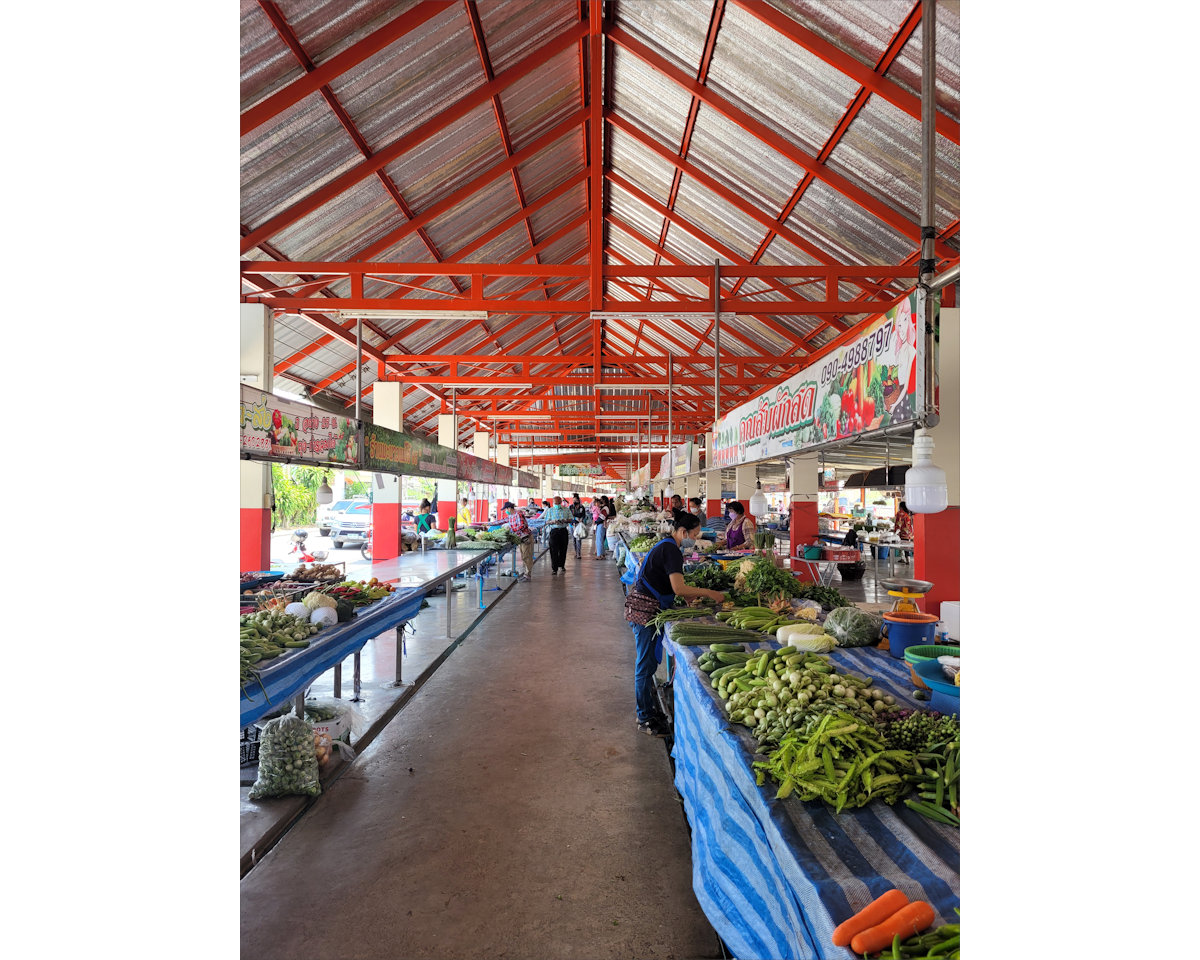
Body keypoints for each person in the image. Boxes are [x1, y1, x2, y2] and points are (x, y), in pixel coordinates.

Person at [625, 512, 726, 736]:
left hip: (647, 608)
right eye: (695, 535)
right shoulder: (671, 549)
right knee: (645, 664)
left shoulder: (667, 545)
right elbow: (679, 588)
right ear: (683, 532)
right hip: (645, 612)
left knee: (648, 663)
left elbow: (671, 585)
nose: (696, 538)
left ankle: (648, 710)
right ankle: (644, 717)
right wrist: (709, 593)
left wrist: (686, 596)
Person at [503, 501, 535, 581]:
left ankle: (528, 575)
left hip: (526, 537)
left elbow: (523, 525)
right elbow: (501, 521)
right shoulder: (511, 516)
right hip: (520, 539)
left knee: (527, 556)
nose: (505, 511)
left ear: (509, 508)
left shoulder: (518, 514)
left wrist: (513, 530)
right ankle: (525, 574)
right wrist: (488, 523)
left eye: (506, 509)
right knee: (524, 556)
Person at [543, 495, 573, 575]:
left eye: (558, 503)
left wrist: (565, 520)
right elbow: (546, 521)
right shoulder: (550, 510)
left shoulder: (566, 510)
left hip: (563, 531)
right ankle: (554, 568)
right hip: (554, 532)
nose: (557, 505)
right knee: (553, 550)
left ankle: (562, 565)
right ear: (553, 503)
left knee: (563, 549)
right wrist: (552, 521)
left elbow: (571, 519)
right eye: (555, 503)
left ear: (561, 502)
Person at [894, 500, 914, 565]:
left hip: (903, 533)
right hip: (909, 533)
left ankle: (905, 559)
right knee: (907, 546)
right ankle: (906, 559)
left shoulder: (900, 513)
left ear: (901, 506)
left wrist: (896, 531)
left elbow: (898, 523)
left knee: (903, 546)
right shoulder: (908, 513)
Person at [570, 494, 589, 559]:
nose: (574, 501)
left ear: (578, 500)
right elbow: (569, 515)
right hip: (572, 525)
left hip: (579, 525)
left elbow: (584, 515)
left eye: (575, 500)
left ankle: (578, 553)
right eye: (573, 500)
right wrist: (575, 518)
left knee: (578, 538)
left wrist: (582, 519)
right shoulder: (571, 507)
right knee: (574, 539)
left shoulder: (582, 507)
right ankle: (576, 552)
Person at [592, 495, 610, 560]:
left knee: (599, 540)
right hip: (600, 524)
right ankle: (602, 554)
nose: (600, 501)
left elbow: (602, 517)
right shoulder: (603, 507)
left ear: (604, 500)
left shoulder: (605, 508)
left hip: (601, 525)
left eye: (601, 500)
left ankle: (599, 555)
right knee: (600, 540)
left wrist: (596, 522)